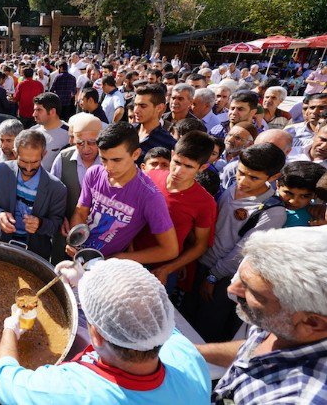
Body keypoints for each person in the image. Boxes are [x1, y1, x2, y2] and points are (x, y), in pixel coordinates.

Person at [0, 258, 211, 404]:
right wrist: (86, 281)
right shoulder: (187, 358)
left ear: (95, 335)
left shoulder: (68, 391)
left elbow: (5, 378)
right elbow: (140, 310)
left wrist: (10, 329)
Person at [197, 228, 327, 404]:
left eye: (255, 293)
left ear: (313, 323)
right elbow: (254, 351)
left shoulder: (298, 398)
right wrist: (193, 351)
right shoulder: (285, 321)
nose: (232, 290)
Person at [187, 143, 287, 342]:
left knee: (206, 327)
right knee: (186, 315)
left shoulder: (272, 211)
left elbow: (243, 251)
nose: (243, 181)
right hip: (199, 261)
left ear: (274, 177)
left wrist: (214, 277)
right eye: (241, 172)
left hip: (222, 277)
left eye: (253, 178)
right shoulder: (231, 185)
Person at [68, 122, 179, 263]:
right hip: (77, 258)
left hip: (110, 270)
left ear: (136, 154)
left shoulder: (150, 197)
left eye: (116, 160)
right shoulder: (94, 173)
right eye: (103, 159)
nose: (109, 167)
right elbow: (80, 212)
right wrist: (76, 241)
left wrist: (119, 259)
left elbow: (170, 250)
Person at [135, 132, 217, 294]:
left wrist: (169, 268)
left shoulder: (206, 203)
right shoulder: (150, 176)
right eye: (177, 162)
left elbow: (200, 245)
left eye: (188, 166)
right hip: (127, 255)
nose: (178, 171)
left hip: (159, 269)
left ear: (202, 168)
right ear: (172, 155)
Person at [0, 130, 67, 259]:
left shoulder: (57, 188)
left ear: (44, 154)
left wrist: (40, 224)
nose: (29, 168)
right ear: (15, 153)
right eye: (23, 161)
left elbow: (56, 224)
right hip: (4, 245)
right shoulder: (2, 170)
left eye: (34, 162)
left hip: (36, 254)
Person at [49, 113, 102, 263]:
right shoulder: (63, 158)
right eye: (80, 143)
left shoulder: (109, 162)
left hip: (99, 237)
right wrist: (60, 217)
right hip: (65, 233)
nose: (86, 149)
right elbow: (53, 193)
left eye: (92, 142)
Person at [133, 84, 177, 163]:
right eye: (135, 105)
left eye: (143, 106)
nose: (136, 110)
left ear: (159, 108)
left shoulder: (168, 143)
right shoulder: (126, 132)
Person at [276, 161, 326, 227]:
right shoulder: (262, 203)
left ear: (315, 195)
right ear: (277, 185)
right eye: (288, 193)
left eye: (305, 196)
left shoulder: (318, 216)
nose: (293, 201)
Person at [31, 92, 70, 171]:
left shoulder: (70, 133)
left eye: (39, 110)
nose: (34, 114)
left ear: (52, 111)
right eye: (34, 110)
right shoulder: (31, 132)